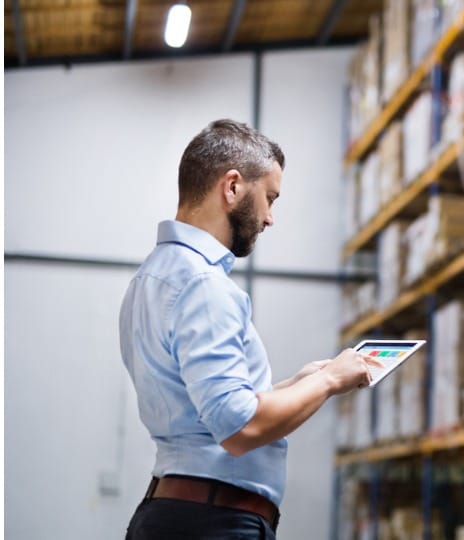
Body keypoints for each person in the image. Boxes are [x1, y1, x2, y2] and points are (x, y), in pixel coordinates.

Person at [119, 119, 382, 539]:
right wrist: (330, 380)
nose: (270, 218)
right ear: (233, 187)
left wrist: (296, 384)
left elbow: (205, 410)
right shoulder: (204, 284)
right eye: (270, 199)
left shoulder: (151, 278)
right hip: (213, 522)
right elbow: (239, 428)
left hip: (177, 513)